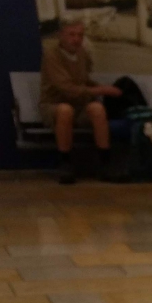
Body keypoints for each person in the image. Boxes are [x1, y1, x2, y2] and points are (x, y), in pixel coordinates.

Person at [40, 18, 124, 184]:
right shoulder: (51, 56)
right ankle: (65, 162)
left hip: (79, 104)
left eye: (80, 35)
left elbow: (84, 80)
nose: (76, 39)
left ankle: (105, 162)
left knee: (97, 109)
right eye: (71, 34)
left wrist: (106, 88)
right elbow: (67, 88)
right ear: (61, 36)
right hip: (53, 104)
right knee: (65, 110)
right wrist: (101, 90)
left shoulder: (82, 54)